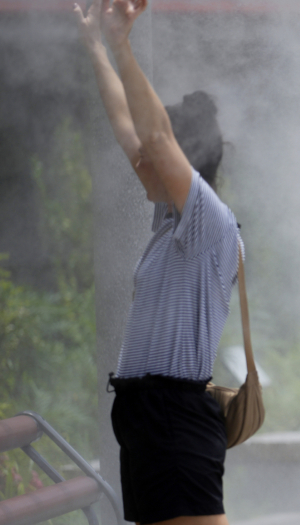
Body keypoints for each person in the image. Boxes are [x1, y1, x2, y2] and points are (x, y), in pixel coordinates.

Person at [75, 1, 239, 524]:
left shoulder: (209, 220)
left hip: (175, 420)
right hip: (148, 420)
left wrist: (122, 43)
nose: (140, 160)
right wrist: (95, 48)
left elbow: (154, 137)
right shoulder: (170, 221)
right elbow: (130, 127)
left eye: (154, 156)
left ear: (184, 162)